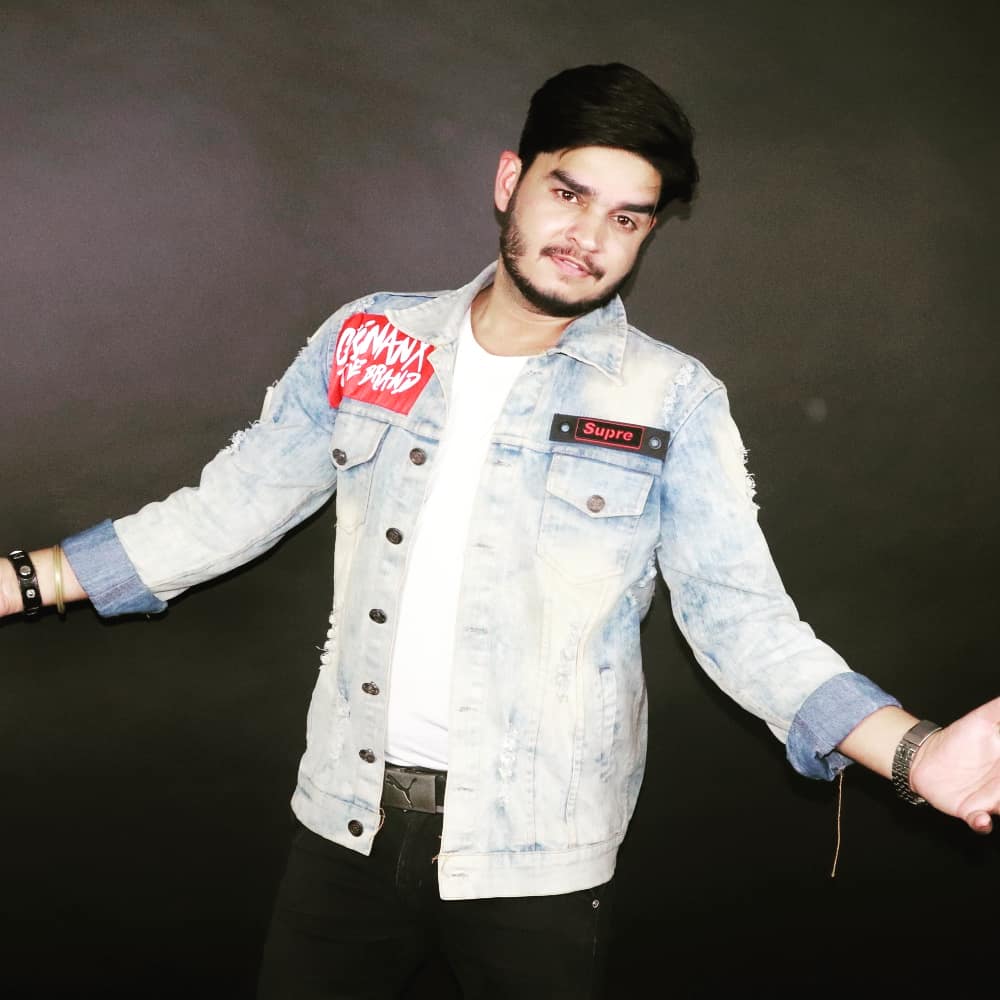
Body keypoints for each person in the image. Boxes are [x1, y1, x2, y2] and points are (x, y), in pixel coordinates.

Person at [2, 63, 998, 999]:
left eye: (625, 217)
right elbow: (225, 512)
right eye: (568, 194)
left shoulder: (671, 399)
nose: (588, 236)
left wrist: (914, 753)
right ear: (510, 180)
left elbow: (742, 623)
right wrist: (20, 580)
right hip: (343, 825)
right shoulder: (372, 338)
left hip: (537, 857)